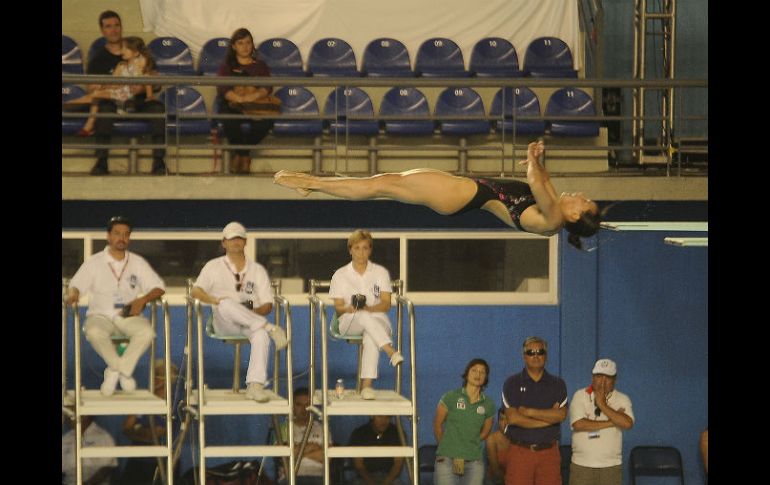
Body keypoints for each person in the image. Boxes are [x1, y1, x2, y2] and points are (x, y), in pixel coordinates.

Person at [273, 141, 600, 248]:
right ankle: (315, 184)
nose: (581, 194)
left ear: (576, 216)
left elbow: (537, 184)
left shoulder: (554, 217)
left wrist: (531, 161)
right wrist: (539, 157)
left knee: (382, 183)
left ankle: (314, 184)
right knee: (383, 183)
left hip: (461, 194)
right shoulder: (556, 210)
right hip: (463, 191)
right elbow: (543, 181)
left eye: (585, 201)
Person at [65, 216, 165, 396]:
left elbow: (159, 288)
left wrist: (142, 300)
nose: (122, 238)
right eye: (117, 234)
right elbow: (76, 285)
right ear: (108, 236)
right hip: (100, 316)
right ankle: (122, 371)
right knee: (94, 332)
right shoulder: (94, 262)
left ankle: (116, 371)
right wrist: (73, 295)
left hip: (128, 315)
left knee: (147, 332)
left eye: (126, 234)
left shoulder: (137, 262)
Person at [190, 221, 289, 402]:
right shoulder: (213, 266)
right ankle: (271, 328)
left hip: (251, 320)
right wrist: (214, 300)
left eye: (240, 239)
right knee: (226, 304)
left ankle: (255, 386)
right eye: (231, 239)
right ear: (224, 243)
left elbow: (267, 305)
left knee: (260, 335)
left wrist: (251, 312)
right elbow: (195, 291)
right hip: (224, 322)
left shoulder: (257, 270)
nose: (236, 242)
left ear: (245, 242)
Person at [83, 11, 167, 175]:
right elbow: (90, 88)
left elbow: (156, 82)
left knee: (158, 109)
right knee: (104, 110)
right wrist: (109, 87)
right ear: (102, 30)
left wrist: (142, 87)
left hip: (140, 101)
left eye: (116, 25)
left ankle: (159, 162)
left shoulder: (137, 50)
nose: (113, 30)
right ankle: (101, 162)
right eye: (108, 26)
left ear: (121, 27)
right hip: (115, 102)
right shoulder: (98, 58)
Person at [328, 229, 403, 400]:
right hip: (349, 319)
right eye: (357, 248)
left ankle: (366, 386)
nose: (361, 253)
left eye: (365, 248)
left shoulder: (380, 272)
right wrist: (351, 309)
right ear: (350, 250)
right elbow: (338, 307)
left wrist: (369, 308)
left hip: (377, 318)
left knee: (370, 334)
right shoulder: (340, 274)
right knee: (361, 316)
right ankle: (390, 351)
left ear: (370, 250)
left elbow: (386, 303)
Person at [501, 336, 568, 485]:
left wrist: (529, 412)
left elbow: (561, 415)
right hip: (520, 453)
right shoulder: (511, 383)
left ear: (546, 355)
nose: (536, 355)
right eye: (530, 352)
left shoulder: (558, 383)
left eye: (540, 351)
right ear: (524, 356)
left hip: (549, 454)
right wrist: (548, 418)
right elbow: (513, 419)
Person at [67, 36, 157, 136]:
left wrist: (149, 96)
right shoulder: (121, 65)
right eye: (122, 47)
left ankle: (74, 112)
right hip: (119, 92)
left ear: (136, 53)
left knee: (95, 95)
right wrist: (102, 87)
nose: (122, 50)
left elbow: (147, 79)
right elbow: (113, 83)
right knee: (95, 95)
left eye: (125, 48)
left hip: (127, 95)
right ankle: (87, 123)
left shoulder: (141, 62)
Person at [568, 358, 634, 485]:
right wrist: (612, 421)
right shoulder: (580, 395)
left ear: (614, 380)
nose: (602, 382)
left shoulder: (622, 399)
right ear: (592, 377)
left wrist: (603, 405)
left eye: (607, 377)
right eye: (599, 376)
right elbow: (578, 424)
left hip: (610, 466)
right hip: (582, 465)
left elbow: (627, 423)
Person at [216, 27, 273, 174]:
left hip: (254, 103)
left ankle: (241, 154)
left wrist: (251, 97)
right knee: (228, 118)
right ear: (234, 46)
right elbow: (223, 89)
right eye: (240, 43)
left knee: (267, 121)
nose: (245, 47)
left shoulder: (260, 66)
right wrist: (239, 99)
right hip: (233, 103)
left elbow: (267, 87)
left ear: (252, 45)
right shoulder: (226, 66)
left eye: (248, 43)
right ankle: (245, 156)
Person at [433, 358, 496, 485]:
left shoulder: (488, 404)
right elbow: (437, 425)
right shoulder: (450, 397)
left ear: (486, 378)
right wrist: (448, 448)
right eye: (474, 370)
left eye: (482, 372)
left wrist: (468, 444)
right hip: (447, 461)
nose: (478, 374)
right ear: (467, 374)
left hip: (474, 463)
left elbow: (485, 432)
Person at [118, 359, 181, 485]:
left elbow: (154, 434)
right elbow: (126, 428)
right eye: (155, 374)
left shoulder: (175, 406)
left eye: (160, 375)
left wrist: (137, 429)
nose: (156, 378)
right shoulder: (143, 400)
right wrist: (140, 431)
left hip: (162, 462)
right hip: (137, 460)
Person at [276, 387, 330, 485]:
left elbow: (326, 457)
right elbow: (283, 457)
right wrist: (313, 448)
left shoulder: (323, 428)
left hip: (317, 477)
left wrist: (298, 451)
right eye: (299, 405)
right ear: (292, 406)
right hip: (290, 477)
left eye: (307, 405)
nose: (304, 409)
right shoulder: (284, 428)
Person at [348, 415, 405, 485]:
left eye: (387, 417)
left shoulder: (396, 433)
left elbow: (398, 464)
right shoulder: (360, 433)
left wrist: (385, 483)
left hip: (390, 478)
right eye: (380, 416)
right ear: (372, 416)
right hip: (365, 478)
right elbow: (359, 465)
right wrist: (371, 483)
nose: (383, 421)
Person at [62, 414, 117, 485]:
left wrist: (88, 483)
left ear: (85, 416)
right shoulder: (66, 438)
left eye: (72, 416)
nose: (69, 419)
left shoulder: (102, 436)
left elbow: (107, 468)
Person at [484, 408, 511, 485]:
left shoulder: (517, 439)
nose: (505, 423)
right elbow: (495, 470)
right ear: (498, 421)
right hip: (495, 481)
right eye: (502, 419)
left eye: (508, 420)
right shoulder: (492, 439)